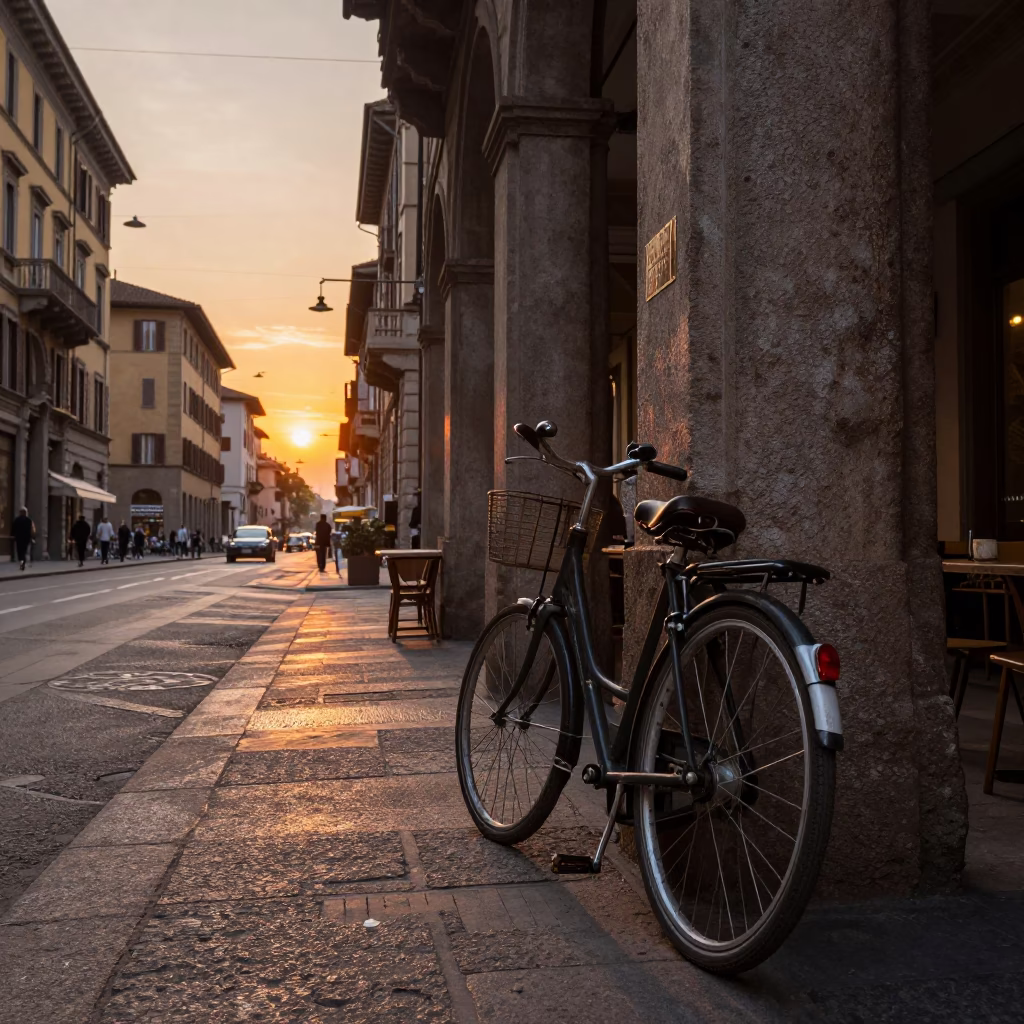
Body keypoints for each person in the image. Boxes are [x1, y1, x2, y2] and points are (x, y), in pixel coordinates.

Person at [11, 507, 34, 571]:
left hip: (19, 538)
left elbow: (13, 529)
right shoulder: (29, 520)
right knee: (24, 551)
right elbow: (32, 530)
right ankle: (23, 563)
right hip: (26, 539)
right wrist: (32, 537)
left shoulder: (17, 520)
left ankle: (21, 562)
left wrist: (12, 535)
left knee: (20, 551)